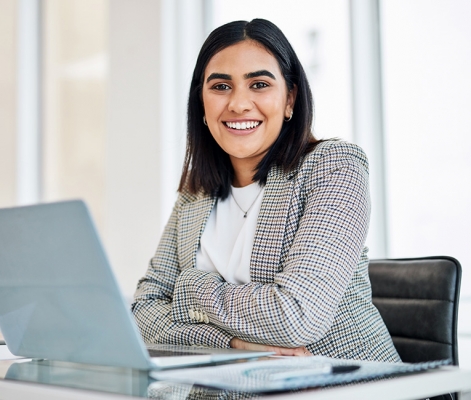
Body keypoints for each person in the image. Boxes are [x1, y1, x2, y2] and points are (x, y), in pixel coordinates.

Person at [132, 18, 400, 362]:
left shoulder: (334, 166)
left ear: (290, 99)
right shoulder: (195, 193)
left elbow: (296, 318)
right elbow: (142, 314)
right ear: (201, 103)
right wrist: (232, 345)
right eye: (220, 87)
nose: (239, 104)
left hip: (348, 388)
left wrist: (191, 288)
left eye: (259, 84)